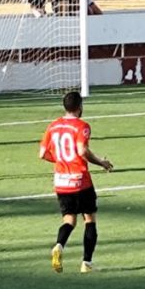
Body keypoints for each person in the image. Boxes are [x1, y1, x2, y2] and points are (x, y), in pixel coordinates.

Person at [39, 92, 114, 274]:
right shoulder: (82, 126)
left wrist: (59, 161)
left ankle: (59, 245)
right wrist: (101, 162)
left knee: (69, 220)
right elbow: (82, 150)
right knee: (89, 219)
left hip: (61, 180)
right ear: (80, 107)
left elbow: (42, 153)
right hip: (80, 179)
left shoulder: (53, 126)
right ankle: (86, 263)